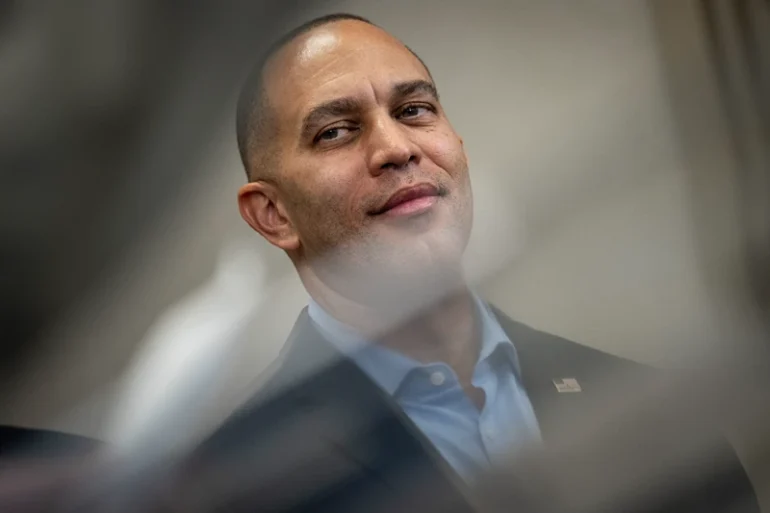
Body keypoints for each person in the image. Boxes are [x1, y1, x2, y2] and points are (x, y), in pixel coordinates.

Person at [163, 13, 760, 513]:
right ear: (273, 214)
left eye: (415, 110)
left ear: (458, 145)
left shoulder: (642, 405)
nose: (397, 148)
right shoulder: (232, 485)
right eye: (338, 131)